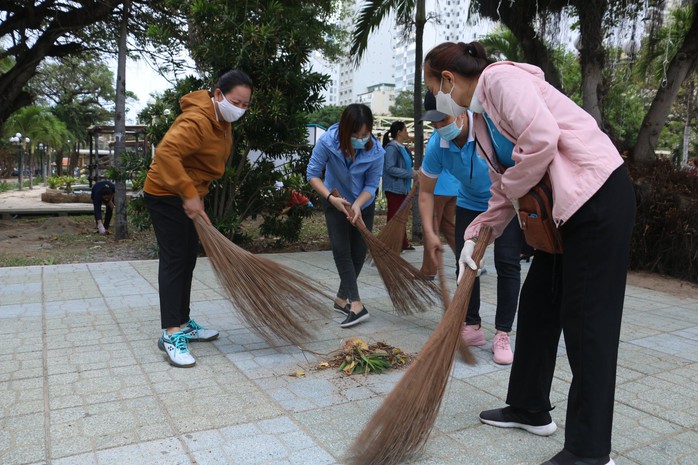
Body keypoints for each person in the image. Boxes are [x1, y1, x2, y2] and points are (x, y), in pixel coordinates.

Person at [423, 41, 636, 465]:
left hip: (595, 199)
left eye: (431, 86)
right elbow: (506, 187)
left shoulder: (500, 80)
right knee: (539, 305)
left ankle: (590, 451)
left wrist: (511, 196)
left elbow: (541, 140)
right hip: (562, 213)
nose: (434, 97)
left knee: (587, 324)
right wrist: (477, 232)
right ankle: (529, 407)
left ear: (447, 80)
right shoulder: (481, 121)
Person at [143, 70, 253, 368]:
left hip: (185, 192)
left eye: (245, 105)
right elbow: (166, 154)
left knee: (188, 257)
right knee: (175, 259)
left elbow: (198, 164)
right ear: (218, 94)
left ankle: (183, 321)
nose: (240, 109)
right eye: (235, 102)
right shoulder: (197, 119)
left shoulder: (222, 120)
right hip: (165, 193)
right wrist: (188, 193)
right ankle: (171, 333)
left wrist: (197, 194)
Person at [419, 90, 521, 365]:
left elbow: (518, 168)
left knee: (507, 263)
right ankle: (472, 326)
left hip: (509, 202)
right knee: (465, 265)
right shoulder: (436, 146)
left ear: (463, 111)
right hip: (470, 203)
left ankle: (502, 333)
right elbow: (426, 192)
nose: (441, 128)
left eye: (445, 120)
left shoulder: (490, 131)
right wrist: (429, 232)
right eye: (435, 123)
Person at [306, 104, 384, 328]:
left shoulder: (377, 152)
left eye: (365, 134)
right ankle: (356, 304)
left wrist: (358, 205)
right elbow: (313, 174)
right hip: (334, 200)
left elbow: (371, 184)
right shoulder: (328, 143)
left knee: (359, 253)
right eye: (355, 135)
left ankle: (341, 299)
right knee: (342, 250)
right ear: (344, 130)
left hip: (363, 204)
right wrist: (331, 199)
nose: (360, 139)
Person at [382, 121, 419, 251]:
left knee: (401, 216)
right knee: (394, 216)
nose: (407, 133)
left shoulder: (403, 148)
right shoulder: (392, 148)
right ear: (399, 132)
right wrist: (410, 174)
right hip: (394, 188)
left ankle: (402, 242)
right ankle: (391, 243)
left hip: (403, 188)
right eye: (405, 130)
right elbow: (390, 168)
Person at [419, 167, 458, 279]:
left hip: (438, 189)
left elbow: (429, 167)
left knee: (430, 229)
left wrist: (422, 172)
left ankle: (428, 270)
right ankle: (473, 259)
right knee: (447, 227)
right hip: (453, 188)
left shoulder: (435, 148)